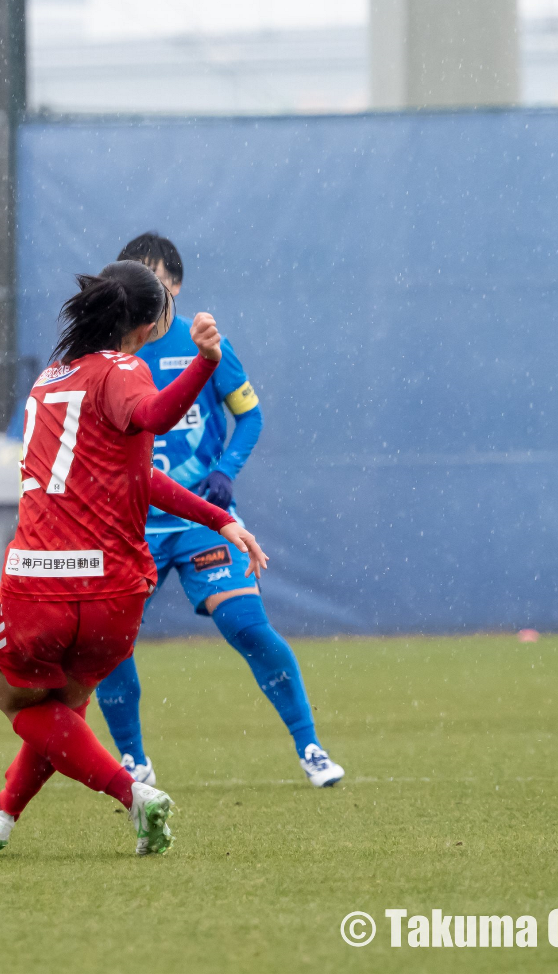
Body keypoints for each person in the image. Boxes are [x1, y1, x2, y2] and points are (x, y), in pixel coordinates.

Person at [0, 260, 270, 856]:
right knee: (66, 707)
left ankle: (134, 795)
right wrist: (221, 517)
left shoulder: (52, 380)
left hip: (41, 586)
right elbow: (148, 451)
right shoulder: (126, 370)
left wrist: (208, 364)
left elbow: (147, 434)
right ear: (151, 320)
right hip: (114, 592)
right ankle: (3, 812)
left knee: (19, 702)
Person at [93, 233, 345, 788]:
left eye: (153, 280)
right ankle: (134, 760)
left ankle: (310, 746)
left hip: (196, 518)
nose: (143, 292)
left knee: (247, 625)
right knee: (108, 644)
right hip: (127, 527)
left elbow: (249, 417)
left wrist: (225, 470)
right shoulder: (105, 358)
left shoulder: (204, 343)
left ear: (175, 286)